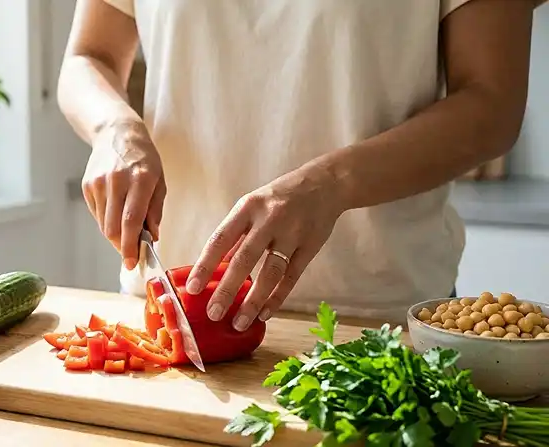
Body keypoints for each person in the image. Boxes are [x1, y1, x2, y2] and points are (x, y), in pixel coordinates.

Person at [57, 0, 545, 330]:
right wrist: (113, 129)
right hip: (170, 311)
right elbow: (88, 57)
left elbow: (491, 105)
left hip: (377, 319)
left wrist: (330, 184)